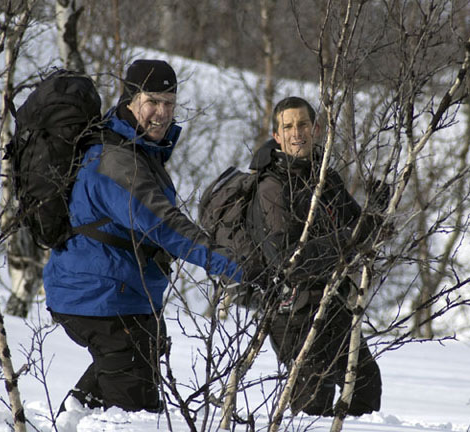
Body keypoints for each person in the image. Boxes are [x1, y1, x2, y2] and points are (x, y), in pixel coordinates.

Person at [43, 59, 257, 414]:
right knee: (137, 414)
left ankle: (75, 415)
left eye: (169, 103)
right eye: (152, 101)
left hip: (117, 298)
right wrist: (235, 266)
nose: (162, 113)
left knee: (106, 397)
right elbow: (166, 225)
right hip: (100, 299)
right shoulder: (116, 162)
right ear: (130, 100)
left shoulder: (136, 151)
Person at [247, 96, 385, 417]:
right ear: (277, 135)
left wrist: (376, 214)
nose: (298, 133)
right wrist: (349, 239)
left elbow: (359, 229)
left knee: (365, 384)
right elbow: (289, 262)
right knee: (313, 403)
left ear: (317, 128)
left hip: (331, 301)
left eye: (303, 124)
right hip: (292, 311)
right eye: (289, 126)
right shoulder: (271, 186)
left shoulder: (325, 177)